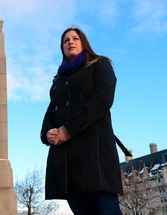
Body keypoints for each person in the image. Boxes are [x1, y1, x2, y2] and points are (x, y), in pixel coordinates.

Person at [40, 27, 123, 215]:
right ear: (62, 47)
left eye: (75, 38)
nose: (70, 42)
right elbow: (50, 111)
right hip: (67, 162)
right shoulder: (59, 79)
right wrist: (47, 133)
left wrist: (67, 130)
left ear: (83, 42)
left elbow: (101, 101)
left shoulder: (100, 64)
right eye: (66, 40)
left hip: (94, 156)